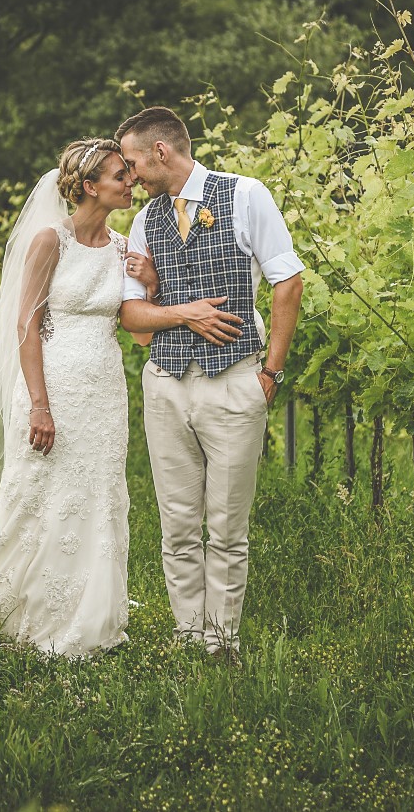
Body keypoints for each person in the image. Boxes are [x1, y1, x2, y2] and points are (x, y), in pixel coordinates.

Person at [0, 138, 157, 659]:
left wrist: (153, 285)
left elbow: (141, 335)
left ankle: (90, 611)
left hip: (103, 389)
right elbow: (26, 325)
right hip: (50, 383)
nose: (131, 183)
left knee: (99, 494)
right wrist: (39, 403)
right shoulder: (49, 241)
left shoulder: (125, 250)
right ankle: (14, 599)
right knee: (36, 491)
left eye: (129, 173)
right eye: (120, 175)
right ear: (88, 186)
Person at [116, 106, 305, 664]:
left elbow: (287, 280)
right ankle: (188, 637)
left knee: (226, 526)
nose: (130, 177)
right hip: (166, 385)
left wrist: (270, 373)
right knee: (176, 524)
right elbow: (131, 312)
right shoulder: (146, 220)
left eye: (132, 163)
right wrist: (182, 313)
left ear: (161, 152)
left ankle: (223, 643)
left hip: (234, 384)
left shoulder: (246, 195)